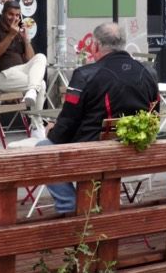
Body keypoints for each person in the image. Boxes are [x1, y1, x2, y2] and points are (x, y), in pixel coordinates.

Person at [43, 22, 159, 214]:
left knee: (42, 150)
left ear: (95, 45)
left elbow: (67, 124)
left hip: (92, 155)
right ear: (123, 43)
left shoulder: (85, 74)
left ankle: (70, 207)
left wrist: (52, 132)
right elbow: (154, 116)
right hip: (134, 154)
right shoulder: (148, 72)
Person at [0, 1, 48, 110]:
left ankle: (32, 91)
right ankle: (36, 124)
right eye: (11, 14)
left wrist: (25, 40)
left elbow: (30, 60)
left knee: (41, 57)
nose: (14, 18)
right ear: (3, 13)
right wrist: (11, 35)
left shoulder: (19, 32)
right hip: (3, 77)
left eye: (17, 15)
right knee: (40, 85)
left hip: (20, 72)